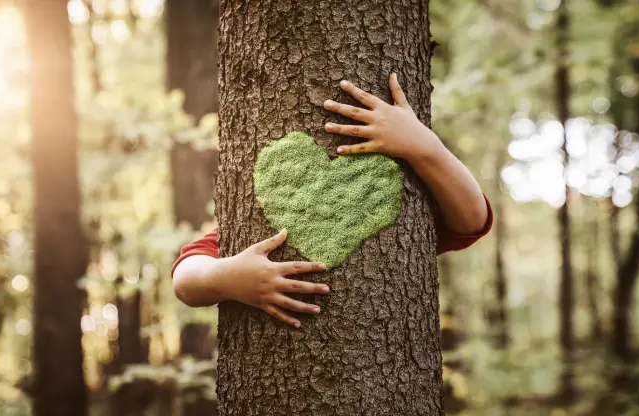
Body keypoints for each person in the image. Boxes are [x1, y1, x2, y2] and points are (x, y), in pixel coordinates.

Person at [171, 73, 493, 329]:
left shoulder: (412, 205)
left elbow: (472, 220)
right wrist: (224, 278)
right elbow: (186, 277)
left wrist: (425, 147)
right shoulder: (256, 224)